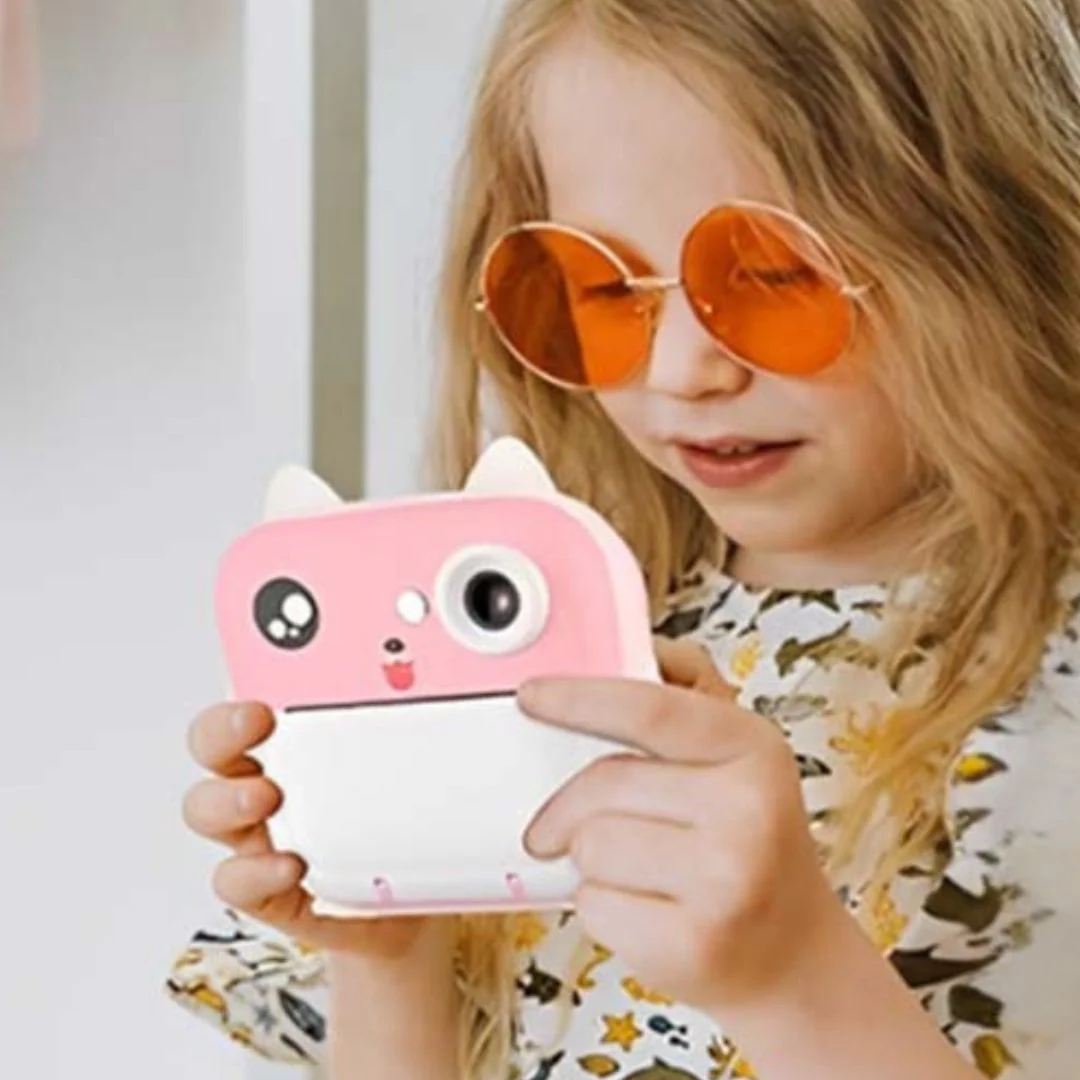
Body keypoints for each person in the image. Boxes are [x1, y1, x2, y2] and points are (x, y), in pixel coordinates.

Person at [165, 1, 1080, 1077]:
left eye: (773, 276)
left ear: (994, 237)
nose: (683, 371)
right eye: (599, 288)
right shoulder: (559, 628)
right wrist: (390, 956)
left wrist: (792, 978)